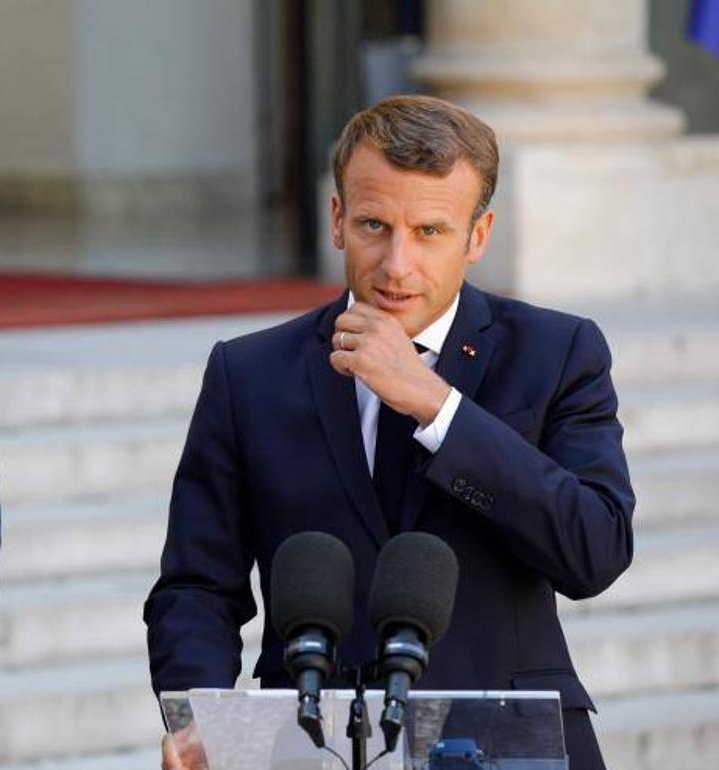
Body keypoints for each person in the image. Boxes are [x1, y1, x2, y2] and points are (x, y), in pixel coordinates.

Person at [144, 95, 633, 770]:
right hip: (307, 744)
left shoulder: (558, 352)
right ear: (338, 219)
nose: (397, 265)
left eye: (430, 231)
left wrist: (438, 408)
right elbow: (197, 586)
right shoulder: (247, 373)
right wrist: (199, 716)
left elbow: (595, 550)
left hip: (506, 745)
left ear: (479, 234)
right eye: (376, 224)